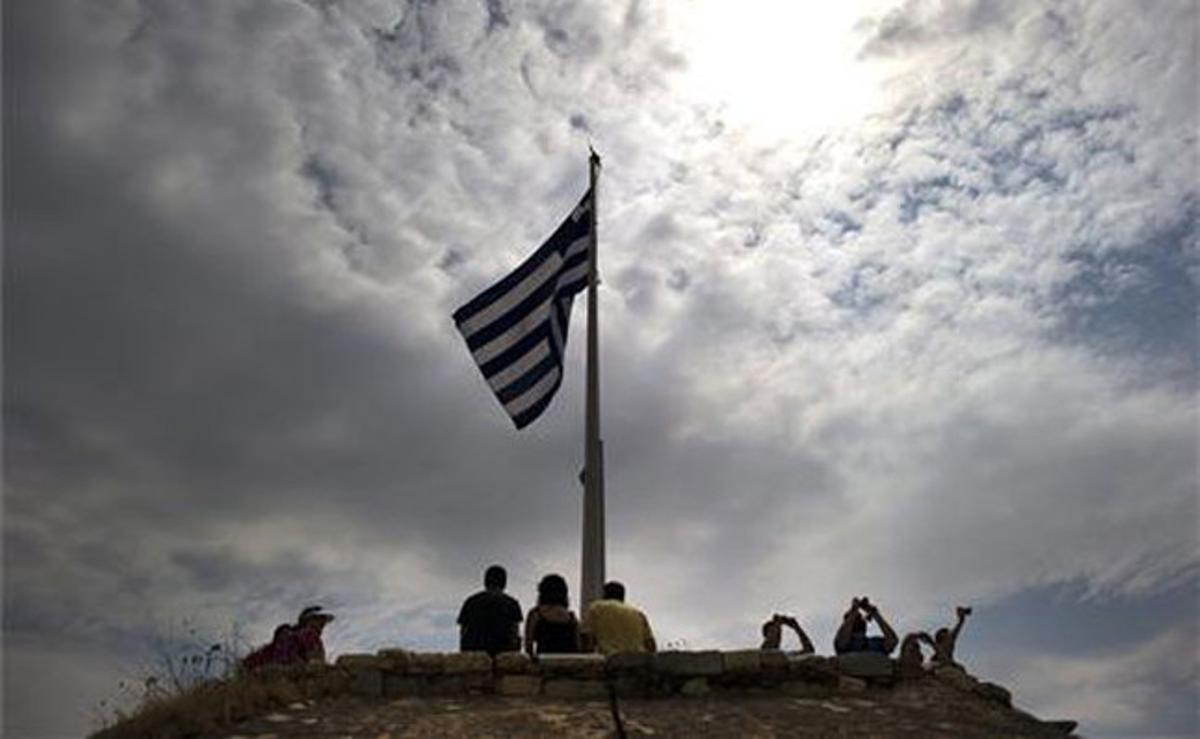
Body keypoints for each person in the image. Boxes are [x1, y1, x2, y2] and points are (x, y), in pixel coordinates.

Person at [457, 564, 523, 655]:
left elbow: (463, 631)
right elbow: (515, 633)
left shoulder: (471, 602)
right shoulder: (512, 604)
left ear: (486, 581)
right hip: (503, 654)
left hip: (475, 653)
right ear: (504, 582)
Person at [580, 581, 656, 655]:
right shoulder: (638, 614)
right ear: (622, 597)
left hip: (610, 662)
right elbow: (651, 646)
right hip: (637, 663)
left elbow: (586, 638)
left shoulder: (596, 608)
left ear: (604, 595)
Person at [524, 574, 581, 656]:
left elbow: (528, 646)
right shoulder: (572, 617)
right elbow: (578, 646)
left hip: (545, 663)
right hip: (568, 664)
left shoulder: (536, 614)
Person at [833, 597, 899, 655]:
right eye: (856, 618)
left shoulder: (875, 642)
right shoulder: (845, 645)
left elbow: (892, 641)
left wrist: (875, 614)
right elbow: (841, 639)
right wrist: (854, 610)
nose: (860, 620)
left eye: (859, 618)